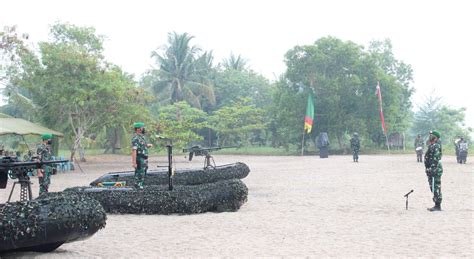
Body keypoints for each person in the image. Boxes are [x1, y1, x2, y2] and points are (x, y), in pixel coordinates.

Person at [424, 130, 443, 211]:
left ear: (435, 137)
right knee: (432, 187)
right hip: (431, 169)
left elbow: (436, 158)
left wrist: (432, 168)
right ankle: (436, 204)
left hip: (435, 169)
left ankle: (438, 205)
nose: (430, 137)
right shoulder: (432, 145)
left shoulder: (436, 146)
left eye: (432, 136)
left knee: (436, 187)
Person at [131, 122, 151, 189]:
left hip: (144, 159)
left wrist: (147, 145)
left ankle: (140, 186)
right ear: (138, 129)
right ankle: (137, 187)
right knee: (139, 173)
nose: (143, 129)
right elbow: (134, 150)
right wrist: (134, 162)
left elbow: (142, 147)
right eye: (142, 127)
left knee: (143, 173)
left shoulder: (142, 138)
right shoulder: (136, 138)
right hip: (140, 159)